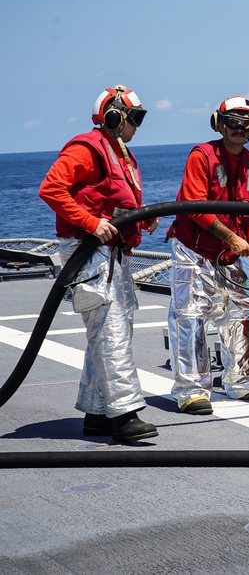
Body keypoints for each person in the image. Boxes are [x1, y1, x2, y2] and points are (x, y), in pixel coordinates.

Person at [38, 84, 159, 443]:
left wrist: (140, 219)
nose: (137, 126)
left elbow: (111, 201)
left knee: (109, 333)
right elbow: (52, 189)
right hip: (89, 252)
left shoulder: (117, 153)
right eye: (134, 118)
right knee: (111, 332)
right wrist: (91, 224)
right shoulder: (87, 149)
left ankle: (96, 412)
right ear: (114, 116)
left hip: (111, 255)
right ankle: (123, 414)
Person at [165, 96, 249, 415]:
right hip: (194, 249)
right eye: (233, 122)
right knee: (192, 317)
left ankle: (243, 382)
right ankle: (192, 391)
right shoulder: (202, 156)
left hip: (232, 252)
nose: (239, 129)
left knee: (241, 314)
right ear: (220, 124)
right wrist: (231, 237)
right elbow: (195, 207)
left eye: (246, 123)